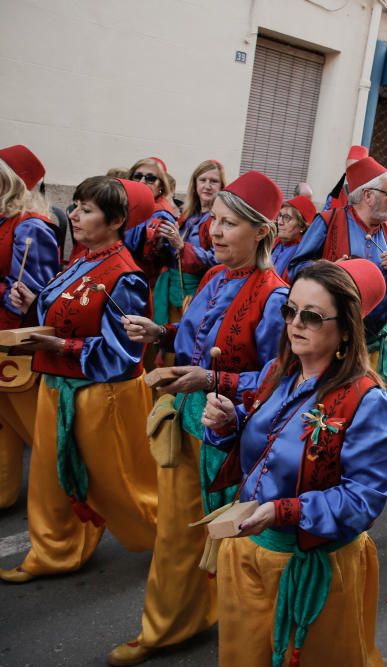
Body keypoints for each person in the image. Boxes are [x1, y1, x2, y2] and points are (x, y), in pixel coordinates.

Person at [109, 170, 289, 666]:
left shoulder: (276, 297)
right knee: (177, 532)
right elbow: (196, 335)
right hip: (184, 414)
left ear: (261, 233)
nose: (214, 231)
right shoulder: (212, 276)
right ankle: (164, 626)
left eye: (229, 224)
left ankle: (227, 630)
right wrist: (160, 334)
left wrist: (213, 385)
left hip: (231, 429)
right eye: (213, 220)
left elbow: (276, 382)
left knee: (225, 540)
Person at [201, 259, 387, 666]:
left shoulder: (369, 402)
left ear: (345, 328)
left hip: (312, 566)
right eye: (290, 311)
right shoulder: (279, 371)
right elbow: (263, 448)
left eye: (311, 316)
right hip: (248, 549)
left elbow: (363, 500)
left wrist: (285, 511)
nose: (295, 323)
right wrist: (226, 424)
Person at [0, 177, 158, 584]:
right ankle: (53, 551)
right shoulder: (82, 259)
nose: (73, 215)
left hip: (100, 395)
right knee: (50, 476)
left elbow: (122, 354)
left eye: (86, 209)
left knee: (119, 485)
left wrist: (61, 347)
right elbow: (62, 316)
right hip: (58, 386)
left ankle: (174, 534)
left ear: (117, 220)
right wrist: (31, 305)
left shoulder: (126, 276)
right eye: (75, 206)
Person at [289, 156, 387, 390]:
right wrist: (328, 270)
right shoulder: (329, 222)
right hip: (330, 344)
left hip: (375, 346)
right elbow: (294, 270)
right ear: (368, 196)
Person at [0, 144, 60, 510]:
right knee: (3, 428)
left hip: (16, 345)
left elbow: (37, 294)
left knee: (36, 434)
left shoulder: (31, 227)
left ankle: (59, 503)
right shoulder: (7, 222)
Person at [148, 160, 226, 328]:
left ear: (221, 186)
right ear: (195, 183)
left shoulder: (220, 219)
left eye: (213, 181)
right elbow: (172, 252)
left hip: (197, 293)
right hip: (171, 288)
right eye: (202, 180)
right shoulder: (188, 214)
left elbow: (219, 259)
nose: (207, 186)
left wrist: (182, 246)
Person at [121, 157, 180, 288]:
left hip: (141, 285)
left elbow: (140, 251)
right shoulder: (130, 205)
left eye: (150, 178)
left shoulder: (161, 215)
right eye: (137, 176)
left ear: (161, 185)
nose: (142, 181)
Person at [271, 195, 316, 279]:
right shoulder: (272, 243)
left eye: (287, 218)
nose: (280, 222)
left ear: (302, 226)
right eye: (280, 216)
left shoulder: (304, 255)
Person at [323, 144, 368, 211]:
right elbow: (324, 218)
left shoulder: (370, 199)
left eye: (355, 170)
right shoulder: (333, 197)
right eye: (348, 170)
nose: (351, 174)